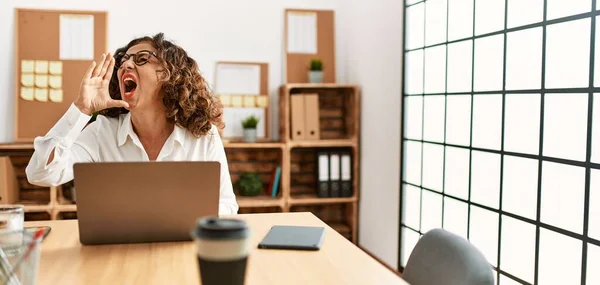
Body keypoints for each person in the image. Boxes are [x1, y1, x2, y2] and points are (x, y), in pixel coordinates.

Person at [25, 33, 238, 215]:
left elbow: (228, 205)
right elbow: (40, 173)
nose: (126, 64)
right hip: (117, 251)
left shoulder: (203, 135)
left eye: (142, 58)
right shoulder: (102, 132)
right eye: (124, 60)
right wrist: (81, 109)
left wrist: (185, 215)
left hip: (181, 249)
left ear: (167, 75)